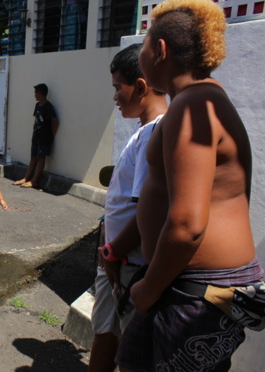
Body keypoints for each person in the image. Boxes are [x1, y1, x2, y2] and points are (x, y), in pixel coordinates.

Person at [114, 1, 264, 371]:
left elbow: (186, 224)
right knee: (133, 360)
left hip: (197, 288)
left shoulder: (193, 106)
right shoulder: (199, 101)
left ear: (160, 50)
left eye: (147, 42)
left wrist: (148, 289)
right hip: (178, 280)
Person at [88, 43, 167, 372]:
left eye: (117, 87)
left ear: (140, 86)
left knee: (119, 342)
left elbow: (146, 212)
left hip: (128, 262)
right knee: (107, 332)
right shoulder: (143, 132)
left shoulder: (153, 134)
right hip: (120, 260)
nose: (115, 97)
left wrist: (113, 252)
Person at [13, 83, 59, 189]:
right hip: (36, 136)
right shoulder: (37, 105)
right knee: (33, 157)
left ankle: (35, 180)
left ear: (40, 94)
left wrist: (52, 134)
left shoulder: (48, 106)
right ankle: (26, 177)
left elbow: (55, 121)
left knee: (40, 158)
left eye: (35, 93)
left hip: (44, 137)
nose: (34, 95)